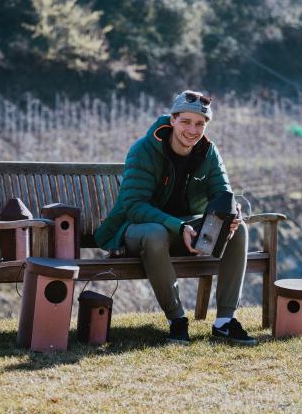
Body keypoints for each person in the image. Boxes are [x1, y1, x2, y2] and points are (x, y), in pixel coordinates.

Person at [94, 90, 257, 346]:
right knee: (155, 233)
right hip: (136, 230)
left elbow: (223, 193)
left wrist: (232, 213)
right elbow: (134, 206)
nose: (192, 130)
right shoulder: (143, 150)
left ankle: (225, 321)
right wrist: (177, 225)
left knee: (240, 231)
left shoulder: (209, 152)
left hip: (185, 230)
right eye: (186, 122)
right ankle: (177, 320)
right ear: (172, 120)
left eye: (200, 124)